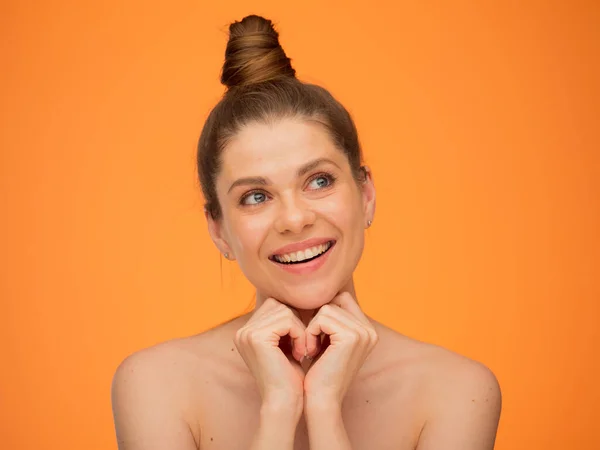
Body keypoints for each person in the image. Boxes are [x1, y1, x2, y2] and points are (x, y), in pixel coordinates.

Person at [111, 14, 502, 450]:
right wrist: (279, 407)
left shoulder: (457, 392)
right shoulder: (155, 386)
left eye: (318, 181)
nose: (294, 219)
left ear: (366, 193)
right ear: (219, 230)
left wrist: (324, 409)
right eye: (256, 196)